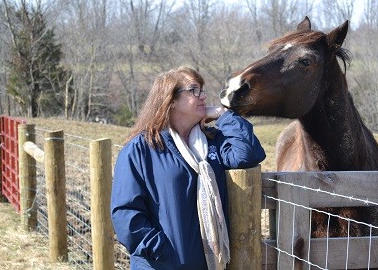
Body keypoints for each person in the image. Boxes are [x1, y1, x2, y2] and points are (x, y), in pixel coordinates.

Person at [111, 66, 266, 270]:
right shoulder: (141, 149)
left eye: (202, 90)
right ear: (171, 100)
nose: (203, 96)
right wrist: (163, 253)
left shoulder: (212, 142)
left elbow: (247, 154)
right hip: (161, 265)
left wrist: (224, 115)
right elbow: (126, 213)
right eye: (194, 90)